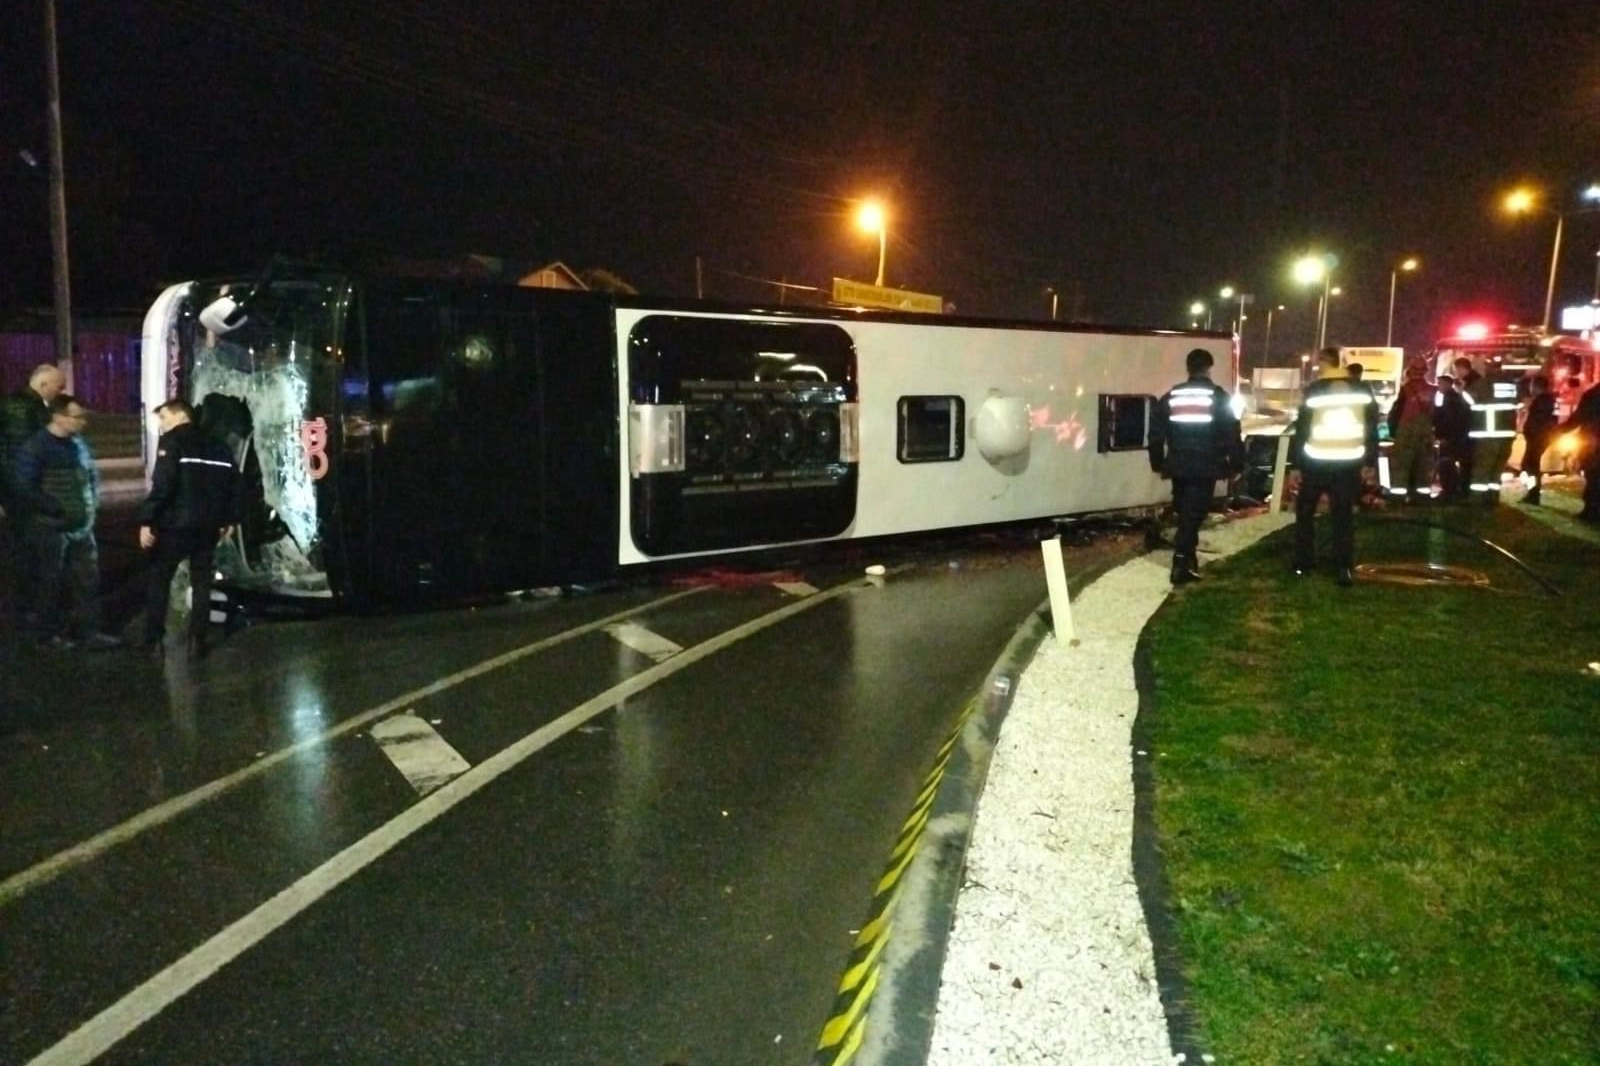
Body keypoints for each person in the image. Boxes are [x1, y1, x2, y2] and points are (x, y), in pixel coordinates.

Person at [11, 394, 121, 649]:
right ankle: (46, 636)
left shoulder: (77, 445)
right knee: (50, 582)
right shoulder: (37, 447)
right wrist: (54, 508)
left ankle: (89, 632)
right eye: (77, 416)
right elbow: (23, 486)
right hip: (52, 527)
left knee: (87, 581)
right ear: (59, 417)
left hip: (81, 525)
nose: (83, 421)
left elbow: (87, 479)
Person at [137, 399, 241, 660]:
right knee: (201, 581)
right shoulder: (219, 445)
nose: (162, 424)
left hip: (176, 525)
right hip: (209, 526)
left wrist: (147, 519)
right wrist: (229, 519)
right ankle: (198, 640)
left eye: (163, 417)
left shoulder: (172, 442)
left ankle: (154, 640)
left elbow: (164, 485)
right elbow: (233, 486)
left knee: (160, 579)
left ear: (178, 415)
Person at [1147, 347, 1245, 584]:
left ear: (1188, 368)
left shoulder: (1172, 396)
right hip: (1206, 466)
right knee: (1194, 515)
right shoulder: (1219, 397)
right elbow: (1233, 433)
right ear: (1209, 368)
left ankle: (1188, 562)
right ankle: (1181, 562)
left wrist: (1158, 462)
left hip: (1179, 466)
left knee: (1185, 513)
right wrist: (1237, 464)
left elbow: (1155, 433)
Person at [1289, 346, 1378, 586]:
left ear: (1324, 362)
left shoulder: (1315, 390)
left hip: (1316, 462)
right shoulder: (1360, 388)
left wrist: (1296, 465)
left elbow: (1303, 428)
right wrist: (1370, 462)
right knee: (1343, 515)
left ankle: (1304, 561)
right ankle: (1343, 567)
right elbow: (1371, 427)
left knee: (1305, 512)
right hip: (1348, 463)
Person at [2, 364, 67, 621]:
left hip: (19, 492)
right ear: (43, 385)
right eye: (58, 386)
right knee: (29, 552)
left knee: (25, 551)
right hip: (25, 494)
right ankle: (31, 611)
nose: (61, 391)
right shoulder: (23, 409)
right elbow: (22, 455)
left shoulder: (21, 405)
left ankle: (28, 607)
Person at [1386, 363, 1436, 502]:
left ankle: (1398, 495)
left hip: (1406, 433)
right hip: (1426, 433)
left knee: (1401, 465)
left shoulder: (1406, 389)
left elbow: (1396, 412)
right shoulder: (1433, 390)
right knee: (1423, 465)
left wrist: (1392, 432)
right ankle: (1421, 495)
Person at [1519, 375, 1558, 506]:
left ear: (1535, 386)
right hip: (1541, 437)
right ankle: (1532, 493)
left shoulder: (1542, 401)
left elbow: (1538, 421)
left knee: (1529, 466)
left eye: (1531, 386)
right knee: (1530, 465)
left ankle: (1533, 494)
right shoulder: (1548, 400)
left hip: (1537, 438)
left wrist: (1530, 433)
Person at [1432, 374, 1473, 501]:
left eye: (1440, 383)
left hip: (1450, 437)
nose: (1438, 387)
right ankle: (1456, 490)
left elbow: (1447, 420)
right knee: (1452, 463)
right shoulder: (1455, 398)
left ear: (1447, 384)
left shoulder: (1449, 399)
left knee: (1445, 463)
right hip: (1459, 437)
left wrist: (1441, 435)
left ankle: (1449, 491)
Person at [1569, 378, 1600, 522]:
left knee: (1593, 477)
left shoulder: (1593, 395)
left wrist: (1558, 430)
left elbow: (1579, 417)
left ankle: (1591, 511)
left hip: (1594, 444)